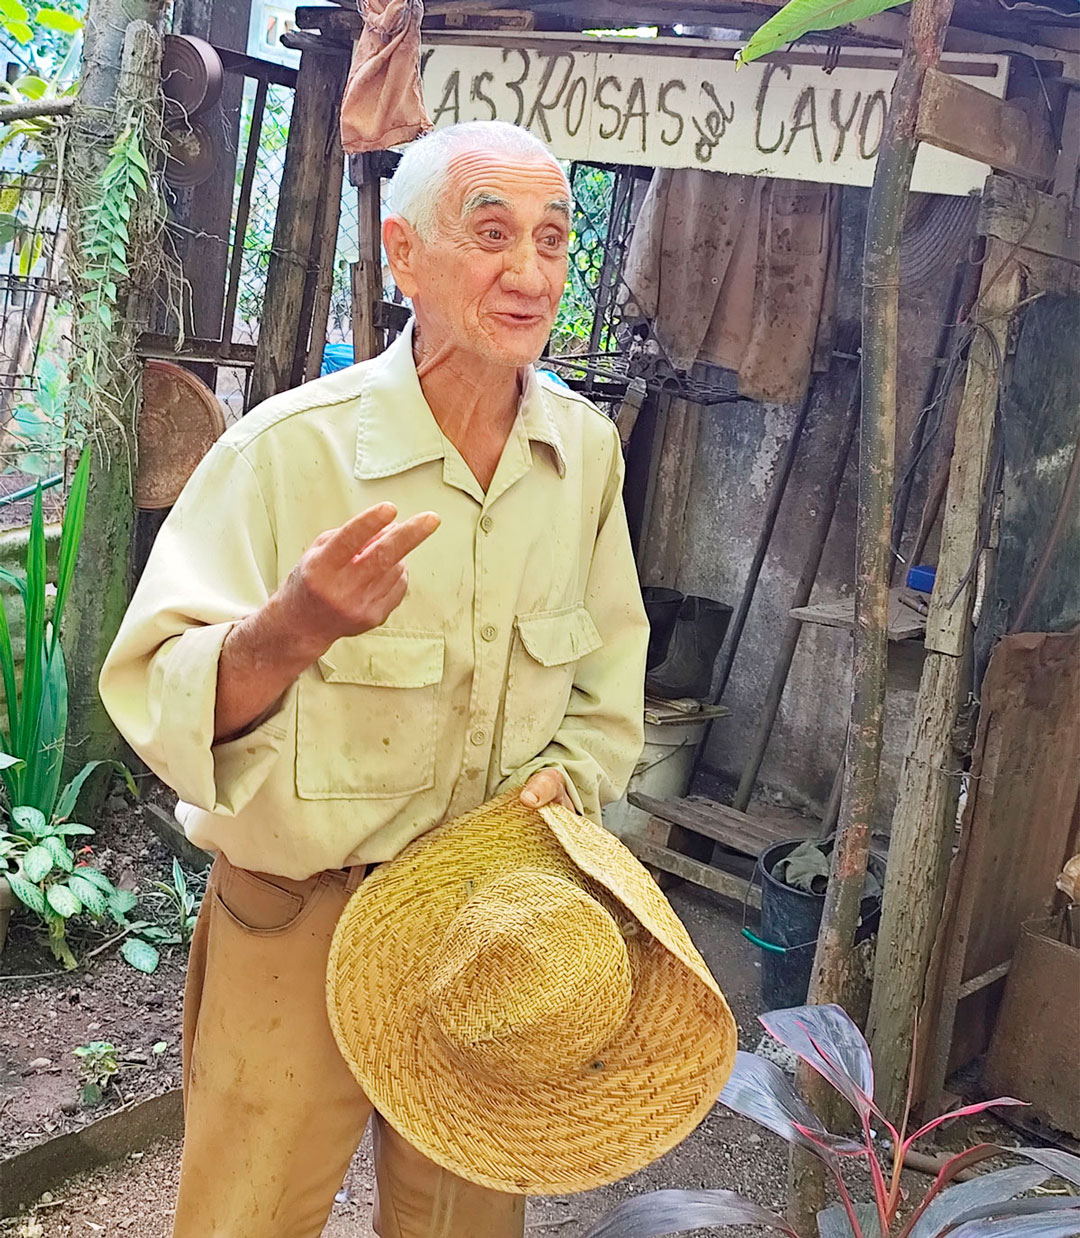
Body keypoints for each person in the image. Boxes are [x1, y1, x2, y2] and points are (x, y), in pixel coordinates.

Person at [99, 120, 649, 1238]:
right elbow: (156, 697)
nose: (533, 272)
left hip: (491, 928)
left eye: (553, 238)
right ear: (404, 254)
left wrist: (565, 786)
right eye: (492, 233)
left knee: (464, 1219)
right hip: (300, 913)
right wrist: (289, 629)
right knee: (244, 1212)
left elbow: (604, 685)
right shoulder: (285, 452)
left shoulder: (584, 454)